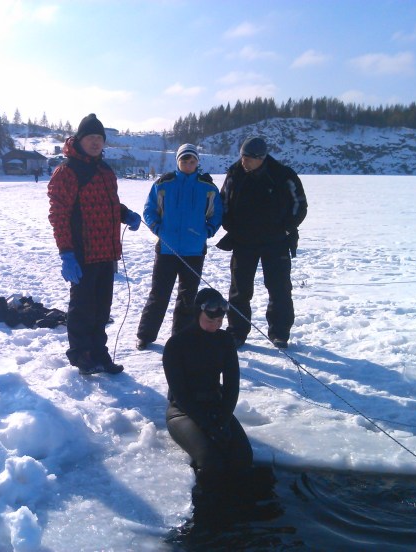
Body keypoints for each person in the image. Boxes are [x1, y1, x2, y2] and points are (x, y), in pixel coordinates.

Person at [47, 113, 141, 375]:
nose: (96, 142)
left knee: (101, 309)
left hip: (106, 252)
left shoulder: (105, 170)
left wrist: (125, 214)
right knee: (82, 309)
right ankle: (81, 355)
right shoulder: (67, 171)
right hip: (82, 253)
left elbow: (109, 204)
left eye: (100, 137)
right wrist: (66, 253)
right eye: (91, 137)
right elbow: (59, 215)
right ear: (79, 139)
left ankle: (100, 353)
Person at [163, 287, 253, 522]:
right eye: (210, 320)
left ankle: (238, 515)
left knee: (242, 457)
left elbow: (232, 385)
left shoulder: (224, 340)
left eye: (220, 321)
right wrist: (208, 426)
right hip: (183, 412)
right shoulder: (177, 344)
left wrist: (223, 419)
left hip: (216, 405)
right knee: (211, 462)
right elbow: (180, 394)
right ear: (197, 314)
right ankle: (208, 518)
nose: (215, 325)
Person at [217, 136, 308, 349]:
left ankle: (280, 333)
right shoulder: (235, 173)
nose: (244, 162)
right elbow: (223, 202)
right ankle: (237, 331)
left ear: (261, 158)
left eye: (248, 158)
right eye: (242, 157)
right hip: (243, 241)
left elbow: (300, 205)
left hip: (276, 242)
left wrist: (286, 228)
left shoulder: (283, 175)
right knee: (239, 290)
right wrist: (231, 227)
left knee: (279, 289)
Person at [136, 144, 223, 350]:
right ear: (178, 161)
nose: (188, 164)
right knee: (159, 294)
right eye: (184, 160)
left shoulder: (208, 187)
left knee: (188, 297)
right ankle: (146, 335)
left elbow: (217, 214)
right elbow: (149, 210)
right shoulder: (164, 184)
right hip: (167, 249)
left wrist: (207, 231)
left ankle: (181, 337)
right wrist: (157, 227)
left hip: (194, 251)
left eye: (192, 161)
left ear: (197, 162)